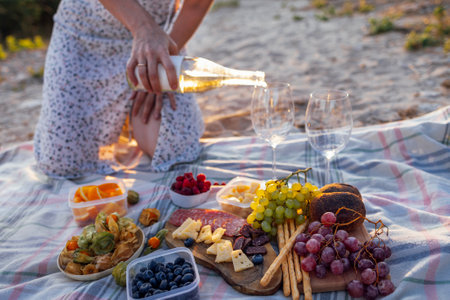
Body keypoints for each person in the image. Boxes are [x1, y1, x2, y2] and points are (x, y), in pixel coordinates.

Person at [33, 0, 214, 179]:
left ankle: (127, 121)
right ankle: (120, 123)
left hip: (159, 38)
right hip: (84, 36)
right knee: (63, 162)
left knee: (175, 151)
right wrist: (144, 29)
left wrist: (157, 63)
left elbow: (197, 4)